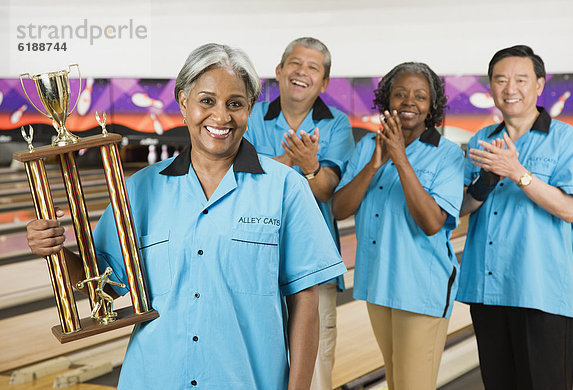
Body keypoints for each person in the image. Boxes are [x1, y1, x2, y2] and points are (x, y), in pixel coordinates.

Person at [25, 43, 347, 390]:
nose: (221, 117)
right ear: (183, 102)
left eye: (235, 104)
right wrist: (55, 248)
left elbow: (305, 300)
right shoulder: (140, 189)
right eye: (206, 101)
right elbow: (102, 283)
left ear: (249, 108)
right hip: (155, 378)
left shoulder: (286, 188)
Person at [458, 45, 573, 390]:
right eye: (500, 80)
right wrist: (486, 181)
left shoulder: (566, 139)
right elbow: (463, 207)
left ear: (539, 85)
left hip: (541, 290)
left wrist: (518, 173)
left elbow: (569, 209)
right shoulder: (481, 140)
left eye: (520, 79)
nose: (510, 88)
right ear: (491, 88)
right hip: (488, 290)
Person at [332, 62, 464, 390]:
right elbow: (339, 208)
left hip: (422, 286)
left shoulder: (447, 155)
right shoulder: (367, 148)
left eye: (420, 96)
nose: (409, 101)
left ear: (432, 106)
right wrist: (376, 163)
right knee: (397, 381)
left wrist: (400, 158)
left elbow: (433, 223)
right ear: (386, 99)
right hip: (379, 283)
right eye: (400, 93)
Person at [245, 37, 354, 390]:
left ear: (323, 82)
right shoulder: (250, 114)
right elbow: (239, 181)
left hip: (313, 261)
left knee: (316, 369)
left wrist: (290, 168)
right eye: (294, 63)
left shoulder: (337, 124)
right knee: (255, 359)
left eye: (312, 67)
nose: (301, 72)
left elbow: (325, 190)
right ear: (278, 71)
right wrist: (300, 163)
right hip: (252, 256)